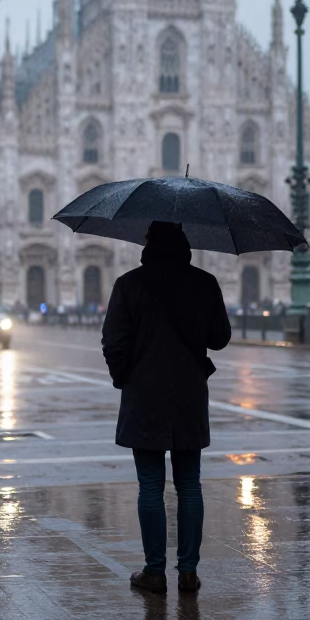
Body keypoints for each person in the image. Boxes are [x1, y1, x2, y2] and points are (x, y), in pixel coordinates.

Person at [101, 221, 231, 595]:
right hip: (189, 392)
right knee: (189, 485)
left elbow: (113, 341)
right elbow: (220, 338)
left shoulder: (129, 284)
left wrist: (124, 378)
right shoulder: (204, 282)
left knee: (150, 485)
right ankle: (188, 573)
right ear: (185, 243)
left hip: (144, 394)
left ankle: (154, 572)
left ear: (148, 244)